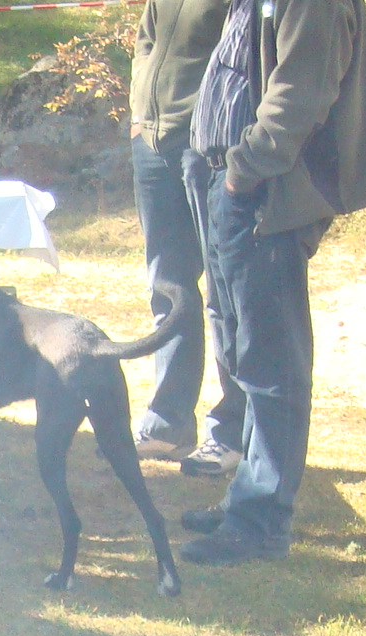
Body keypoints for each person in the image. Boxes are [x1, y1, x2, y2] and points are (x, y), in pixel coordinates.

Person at [178, 0, 366, 566]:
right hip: (225, 178)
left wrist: (242, 172)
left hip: (263, 191)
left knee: (271, 361)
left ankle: (261, 522)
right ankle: (245, 499)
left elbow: (300, 95)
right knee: (239, 348)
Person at [128, 0, 245, 477]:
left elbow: (248, 54)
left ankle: (233, 432)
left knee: (224, 294)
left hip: (207, 144)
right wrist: (139, 115)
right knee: (168, 288)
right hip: (153, 143)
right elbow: (146, 40)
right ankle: (168, 423)